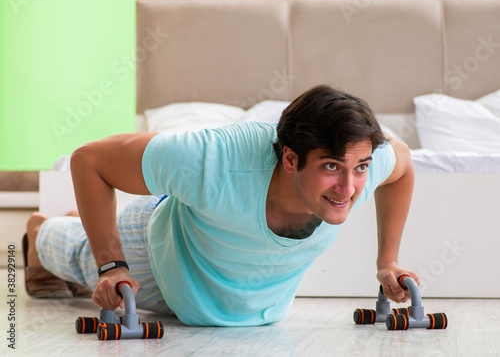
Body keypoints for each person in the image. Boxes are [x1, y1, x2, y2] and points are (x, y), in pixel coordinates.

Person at [25, 84, 419, 326]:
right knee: (80, 258)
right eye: (331, 166)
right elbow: (90, 160)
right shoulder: (213, 158)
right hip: (163, 252)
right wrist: (111, 266)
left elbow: (402, 168)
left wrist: (387, 261)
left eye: (360, 168)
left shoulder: (360, 165)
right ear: (290, 159)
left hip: (234, 292)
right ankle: (43, 231)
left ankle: (78, 223)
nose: (348, 188)